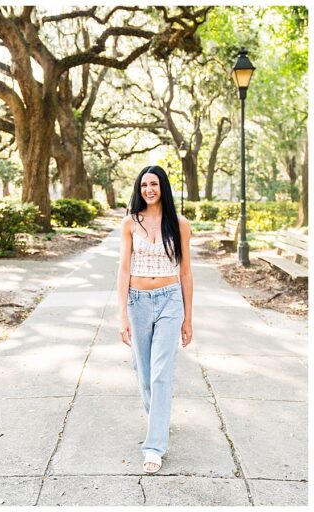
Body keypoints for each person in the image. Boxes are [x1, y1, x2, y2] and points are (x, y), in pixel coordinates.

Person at [116, 165, 193, 474]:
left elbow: (185, 272)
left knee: (161, 372)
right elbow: (123, 269)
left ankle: (154, 446)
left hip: (170, 301)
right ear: (139, 189)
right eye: (144, 184)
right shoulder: (130, 223)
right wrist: (122, 313)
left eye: (154, 184)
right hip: (137, 301)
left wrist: (189, 318)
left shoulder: (180, 224)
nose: (149, 189)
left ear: (163, 187)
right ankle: (158, 419)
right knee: (143, 372)